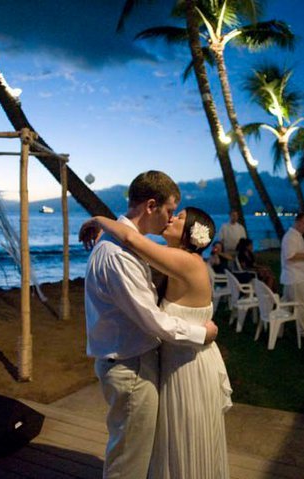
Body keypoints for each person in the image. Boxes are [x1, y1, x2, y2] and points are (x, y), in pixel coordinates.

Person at [79, 171, 219, 478]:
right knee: (129, 462)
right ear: (151, 206)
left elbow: (133, 241)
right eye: (170, 211)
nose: (170, 220)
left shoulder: (140, 247)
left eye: (177, 217)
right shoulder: (119, 253)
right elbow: (152, 319)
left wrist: (99, 220)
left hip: (155, 362)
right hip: (131, 366)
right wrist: (201, 332)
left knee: (142, 451)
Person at [280, 212, 304, 337]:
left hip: (293, 277)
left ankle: (278, 329)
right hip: (294, 277)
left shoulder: (297, 236)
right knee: (300, 305)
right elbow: (290, 256)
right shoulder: (291, 237)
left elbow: (296, 252)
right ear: (297, 222)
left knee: (287, 304)